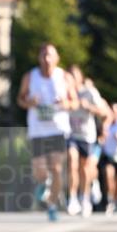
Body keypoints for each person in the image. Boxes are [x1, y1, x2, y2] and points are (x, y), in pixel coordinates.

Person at [17, 42, 78, 221]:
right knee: (40, 171)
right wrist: (29, 102)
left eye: (50, 55)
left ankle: (52, 205)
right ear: (39, 58)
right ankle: (44, 183)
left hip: (58, 129)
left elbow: (74, 102)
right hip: (38, 130)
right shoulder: (30, 76)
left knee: (57, 168)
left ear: (57, 58)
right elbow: (20, 99)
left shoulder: (65, 77)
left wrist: (65, 104)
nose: (47, 59)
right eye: (43, 55)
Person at [65, 66, 109, 217]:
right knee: (72, 161)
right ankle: (72, 198)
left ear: (80, 78)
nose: (70, 79)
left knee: (85, 170)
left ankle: (85, 198)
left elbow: (104, 113)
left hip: (87, 136)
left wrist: (88, 106)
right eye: (68, 76)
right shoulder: (65, 93)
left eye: (73, 76)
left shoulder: (89, 92)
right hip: (71, 135)